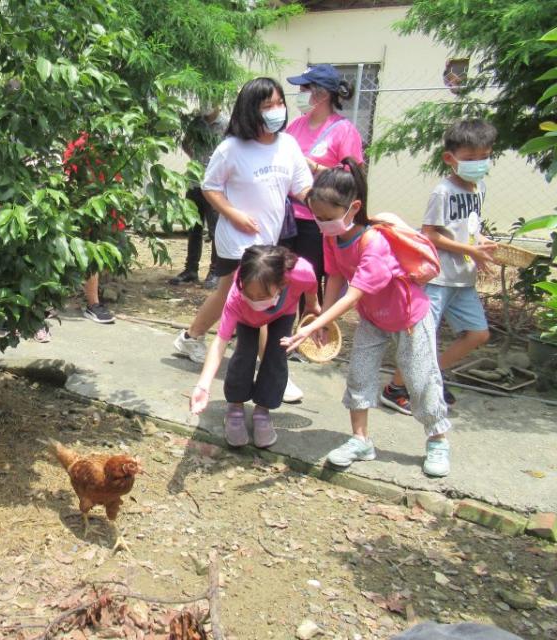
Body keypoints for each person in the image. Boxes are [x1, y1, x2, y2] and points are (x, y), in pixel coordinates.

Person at [281, 158, 453, 477]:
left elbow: (353, 295)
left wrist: (308, 329)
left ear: (354, 206)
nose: (321, 224)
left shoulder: (374, 242)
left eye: (328, 217)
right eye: (317, 218)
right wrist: (322, 316)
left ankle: (437, 439)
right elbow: (334, 277)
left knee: (420, 380)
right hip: (373, 318)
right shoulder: (332, 237)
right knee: (359, 375)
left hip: (409, 318)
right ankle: (360, 440)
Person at [173, 77, 313, 386]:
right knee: (256, 295)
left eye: (279, 103)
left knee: (226, 294)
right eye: (267, 106)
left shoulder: (288, 145)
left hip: (268, 238)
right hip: (237, 238)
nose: (277, 110)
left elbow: (302, 188)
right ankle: (275, 373)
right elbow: (210, 187)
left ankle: (190, 337)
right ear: (252, 110)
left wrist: (326, 203)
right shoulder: (231, 148)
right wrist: (234, 215)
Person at [381, 119, 498, 414]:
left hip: (464, 279)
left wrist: (481, 245)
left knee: (478, 334)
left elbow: (469, 228)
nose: (479, 163)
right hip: (437, 277)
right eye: (471, 159)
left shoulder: (478, 188)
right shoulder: (443, 191)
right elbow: (430, 233)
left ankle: (429, 376)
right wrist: (470, 248)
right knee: (421, 338)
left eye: (485, 156)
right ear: (450, 158)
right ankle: (396, 388)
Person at [189, 245, 319, 448]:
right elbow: (220, 342)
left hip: (283, 313)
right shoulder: (237, 298)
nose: (255, 300)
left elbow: (311, 287)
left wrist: (312, 305)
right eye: (250, 293)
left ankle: (262, 412)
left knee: (276, 358)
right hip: (246, 317)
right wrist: (203, 386)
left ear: (282, 284)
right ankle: (235, 409)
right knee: (244, 354)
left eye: (262, 296)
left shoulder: (301, 272)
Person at [284, 64, 365, 310]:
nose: (300, 93)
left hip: (318, 219)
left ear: (322, 94)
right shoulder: (296, 125)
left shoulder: (343, 130)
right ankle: (292, 335)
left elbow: (352, 177)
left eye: (304, 88)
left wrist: (315, 168)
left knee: (314, 276)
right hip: (290, 215)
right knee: (292, 276)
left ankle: (314, 333)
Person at [63, 132, 124, 324]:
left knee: (94, 249)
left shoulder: (109, 137)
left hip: (103, 194)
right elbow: (70, 168)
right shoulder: (81, 140)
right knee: (80, 247)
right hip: (82, 195)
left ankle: (93, 303)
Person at [170, 106, 229, 289]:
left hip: (216, 186)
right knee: (194, 228)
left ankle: (214, 272)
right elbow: (186, 143)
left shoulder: (226, 125)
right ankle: (190, 269)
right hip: (194, 182)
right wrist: (199, 159)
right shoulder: (196, 123)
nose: (207, 104)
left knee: (215, 231)